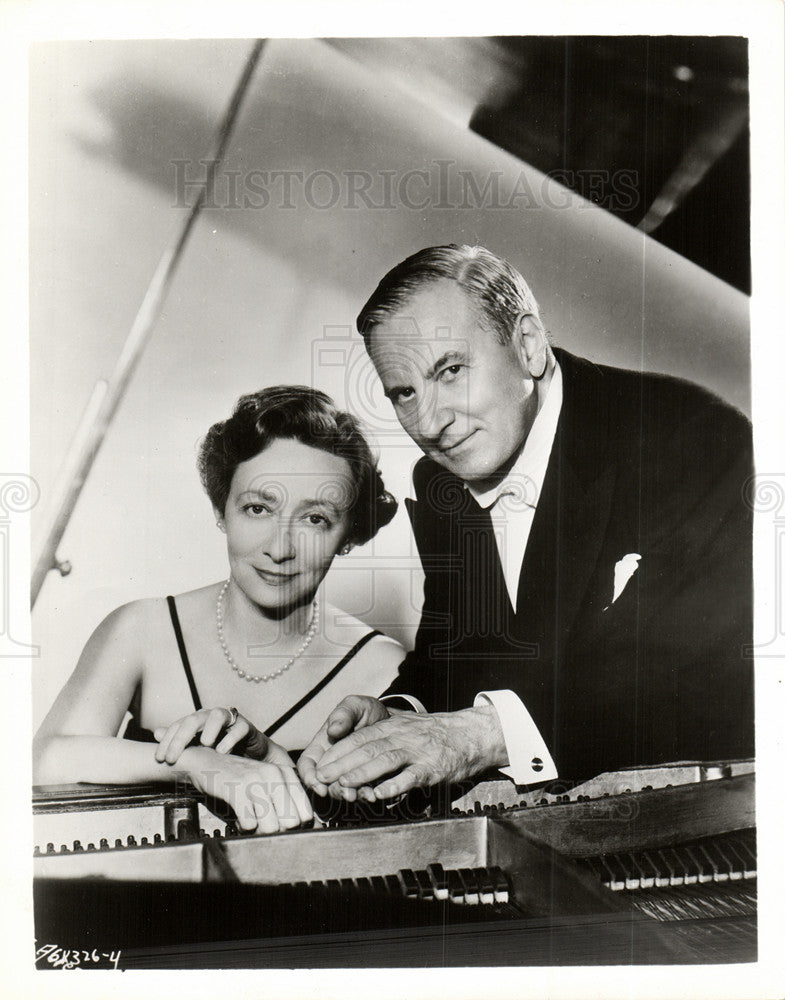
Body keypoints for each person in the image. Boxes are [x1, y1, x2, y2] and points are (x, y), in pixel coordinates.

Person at [298, 244, 754, 803]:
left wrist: (482, 736)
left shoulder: (691, 436)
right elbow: (454, 654)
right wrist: (396, 715)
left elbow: (675, 672)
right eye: (405, 393)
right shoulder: (440, 480)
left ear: (528, 345)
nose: (432, 422)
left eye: (452, 371)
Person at [34, 386, 403, 833]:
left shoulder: (383, 668)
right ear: (221, 511)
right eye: (257, 508)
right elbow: (44, 759)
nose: (280, 548)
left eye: (315, 519)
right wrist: (195, 764)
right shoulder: (140, 630)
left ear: (348, 536)